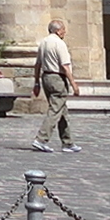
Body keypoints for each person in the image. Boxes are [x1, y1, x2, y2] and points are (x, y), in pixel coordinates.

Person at [31, 16, 74, 149]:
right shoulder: (59, 44)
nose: (65, 32)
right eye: (63, 30)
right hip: (57, 79)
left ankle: (67, 142)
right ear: (58, 31)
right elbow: (65, 66)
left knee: (62, 110)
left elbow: (37, 64)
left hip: (46, 78)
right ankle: (41, 139)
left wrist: (37, 82)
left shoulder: (43, 42)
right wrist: (74, 84)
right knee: (55, 110)